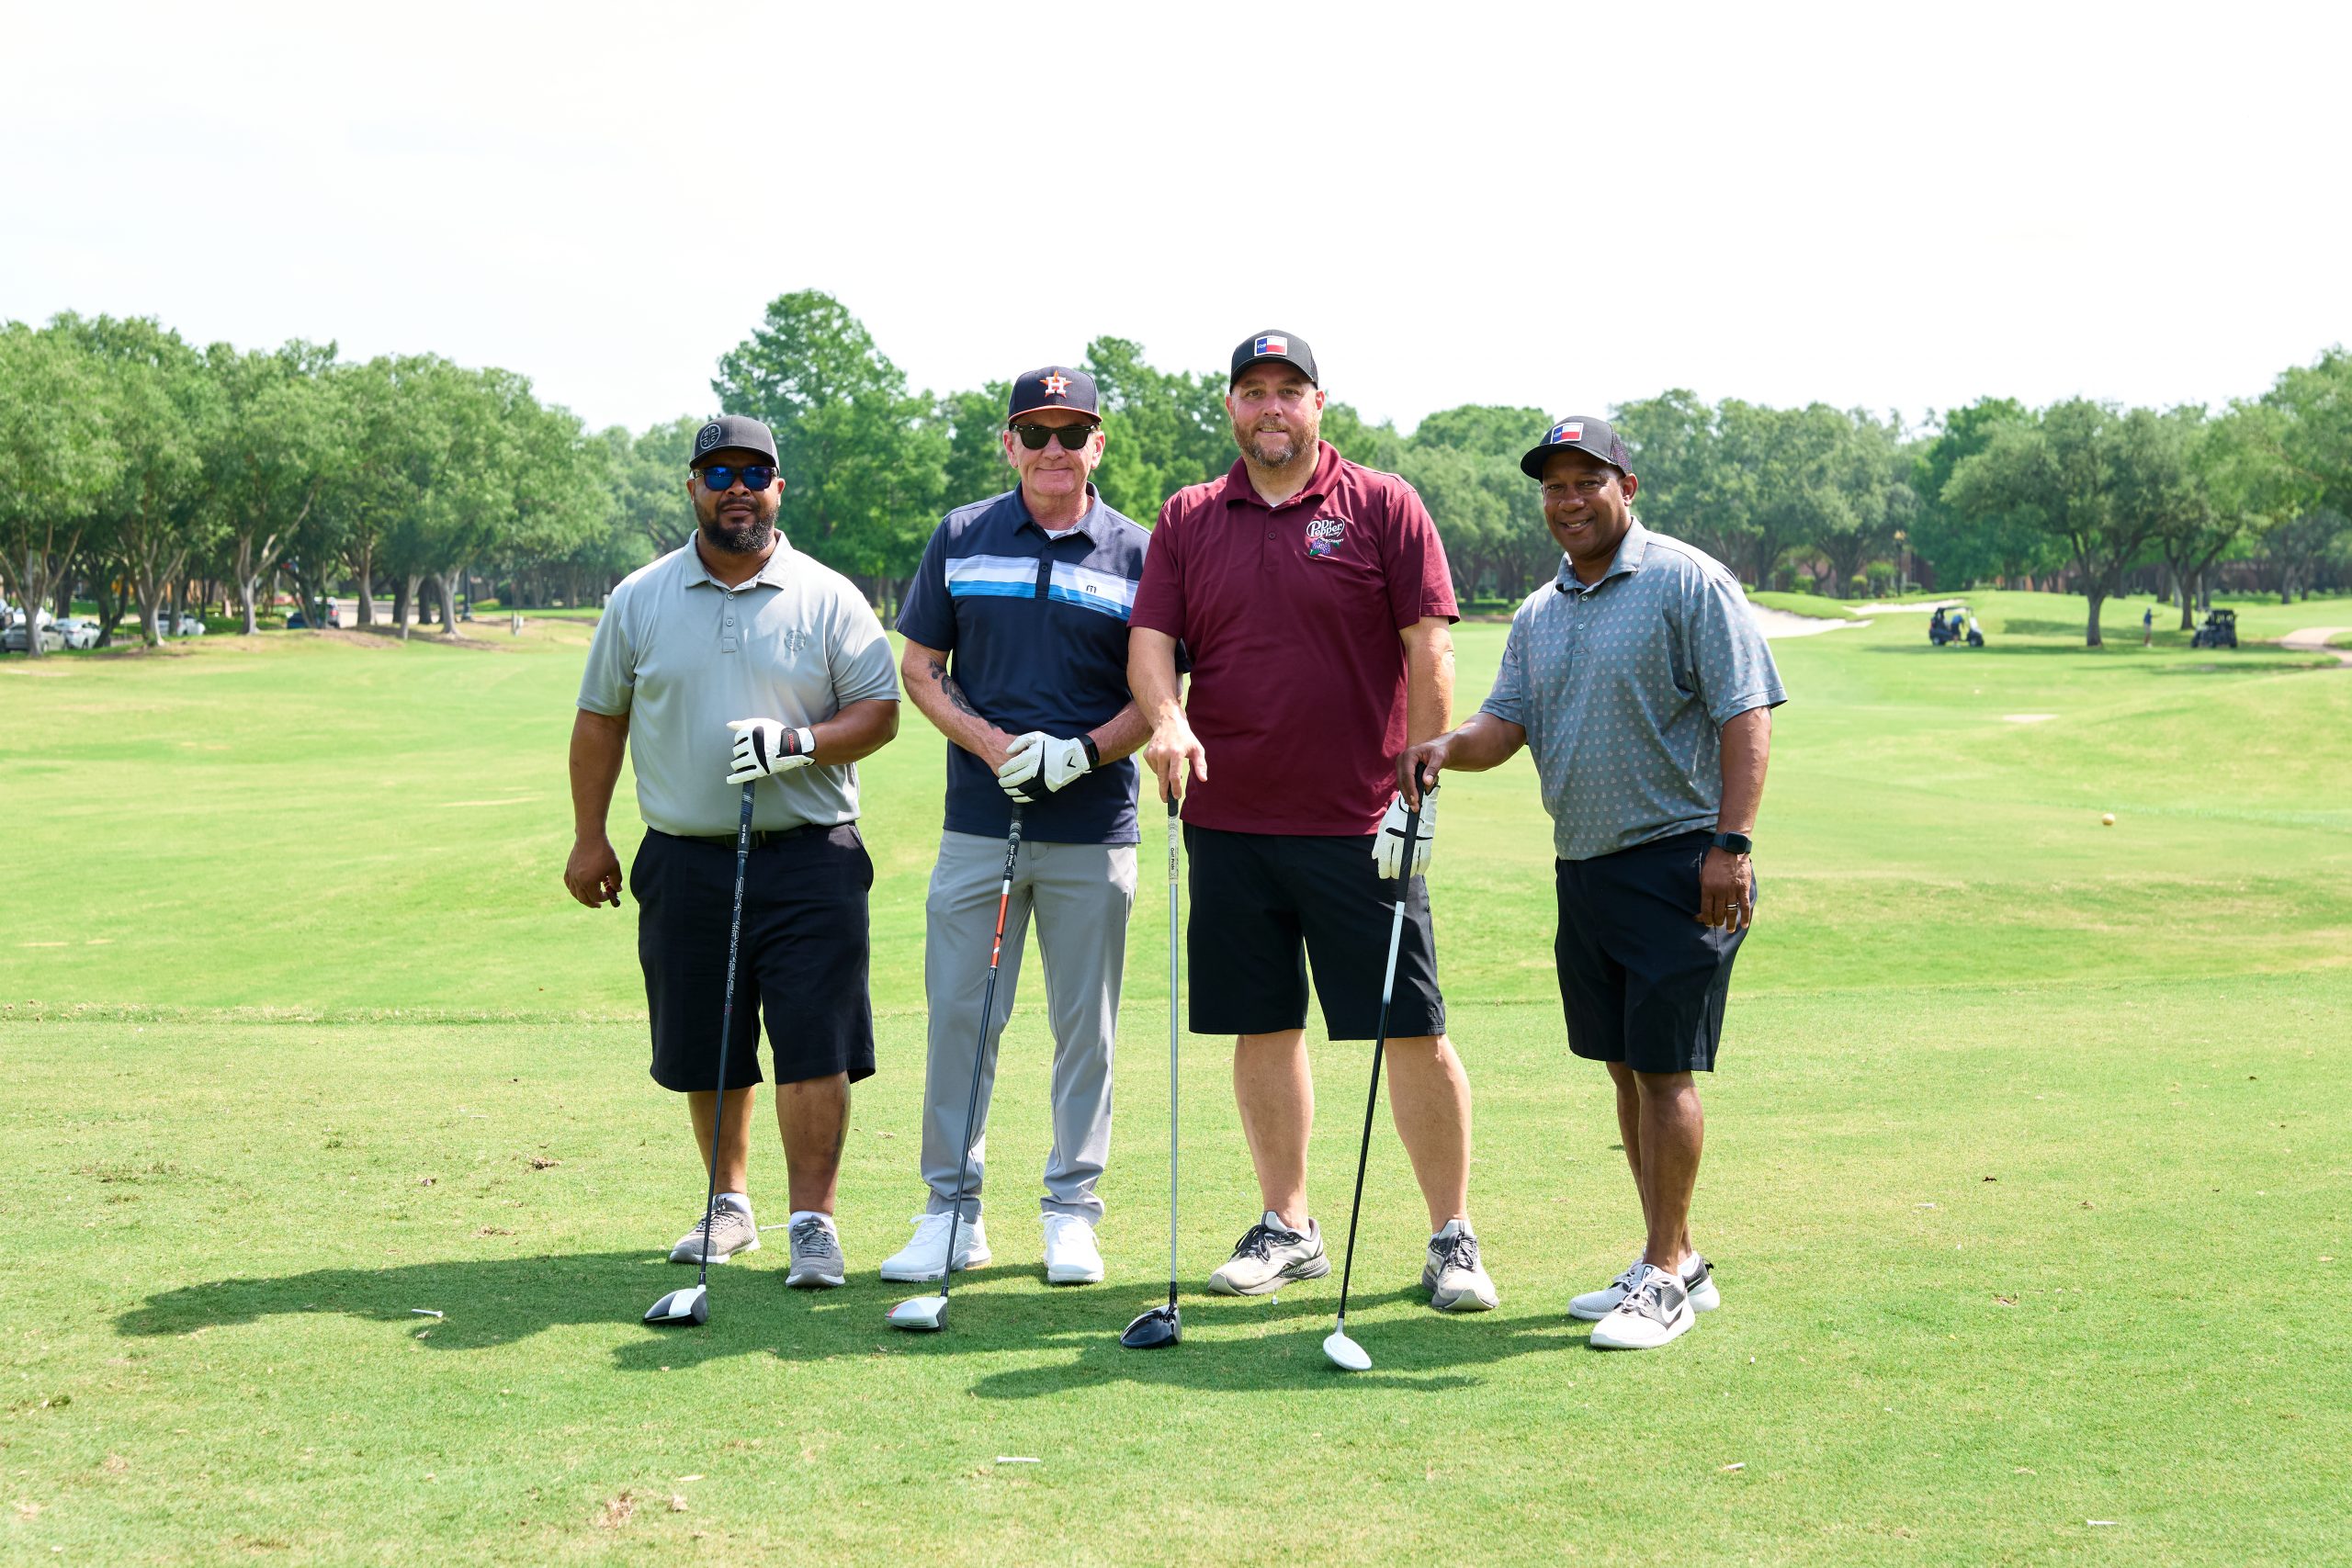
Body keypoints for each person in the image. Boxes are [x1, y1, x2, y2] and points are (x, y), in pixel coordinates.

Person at [1397, 413, 1786, 1350]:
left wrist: (1732, 844)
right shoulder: (1542, 611)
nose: (1568, 500)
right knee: (1622, 1063)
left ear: (1626, 488)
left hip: (1680, 861)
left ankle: (1663, 1279)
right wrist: (1445, 747)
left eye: (1586, 482)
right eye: (1554, 486)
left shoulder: (1686, 580)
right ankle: (1676, 1257)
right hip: (1584, 868)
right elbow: (1504, 723)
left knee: (1663, 1068)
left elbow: (1746, 713)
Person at [1129, 330, 1498, 1314]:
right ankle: (1287, 1226)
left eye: (1288, 391)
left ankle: (1452, 1236)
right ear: (1231, 408)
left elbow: (1430, 647)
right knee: (1262, 1022)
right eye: (1252, 391)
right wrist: (1166, 718)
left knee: (1408, 1026)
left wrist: (1419, 784)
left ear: (1318, 405)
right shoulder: (1190, 515)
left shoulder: (1382, 504)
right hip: (1229, 821)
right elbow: (1152, 642)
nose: (1271, 408)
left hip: (1359, 822)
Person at [565, 413, 900, 1292]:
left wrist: (800, 744)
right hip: (685, 854)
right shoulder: (640, 597)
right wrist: (590, 835)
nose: (737, 489)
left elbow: (879, 713)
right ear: (693, 487)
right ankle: (728, 1203)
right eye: (719, 474)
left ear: (779, 487)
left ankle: (813, 1221)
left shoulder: (828, 595)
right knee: (708, 1039)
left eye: (754, 473)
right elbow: (600, 720)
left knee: (815, 1042)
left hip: (811, 854)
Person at [883, 366, 1155, 1288]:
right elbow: (921, 668)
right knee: (963, 1019)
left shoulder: (1140, 553)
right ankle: (951, 1213)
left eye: (1071, 432)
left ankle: (1071, 1212)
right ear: (1008, 443)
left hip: (1094, 827)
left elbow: (1160, 691)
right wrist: (992, 744)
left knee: (1088, 1031)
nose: (1053, 449)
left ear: (1097, 445)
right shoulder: (961, 535)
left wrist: (1084, 752)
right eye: (1034, 433)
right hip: (979, 824)